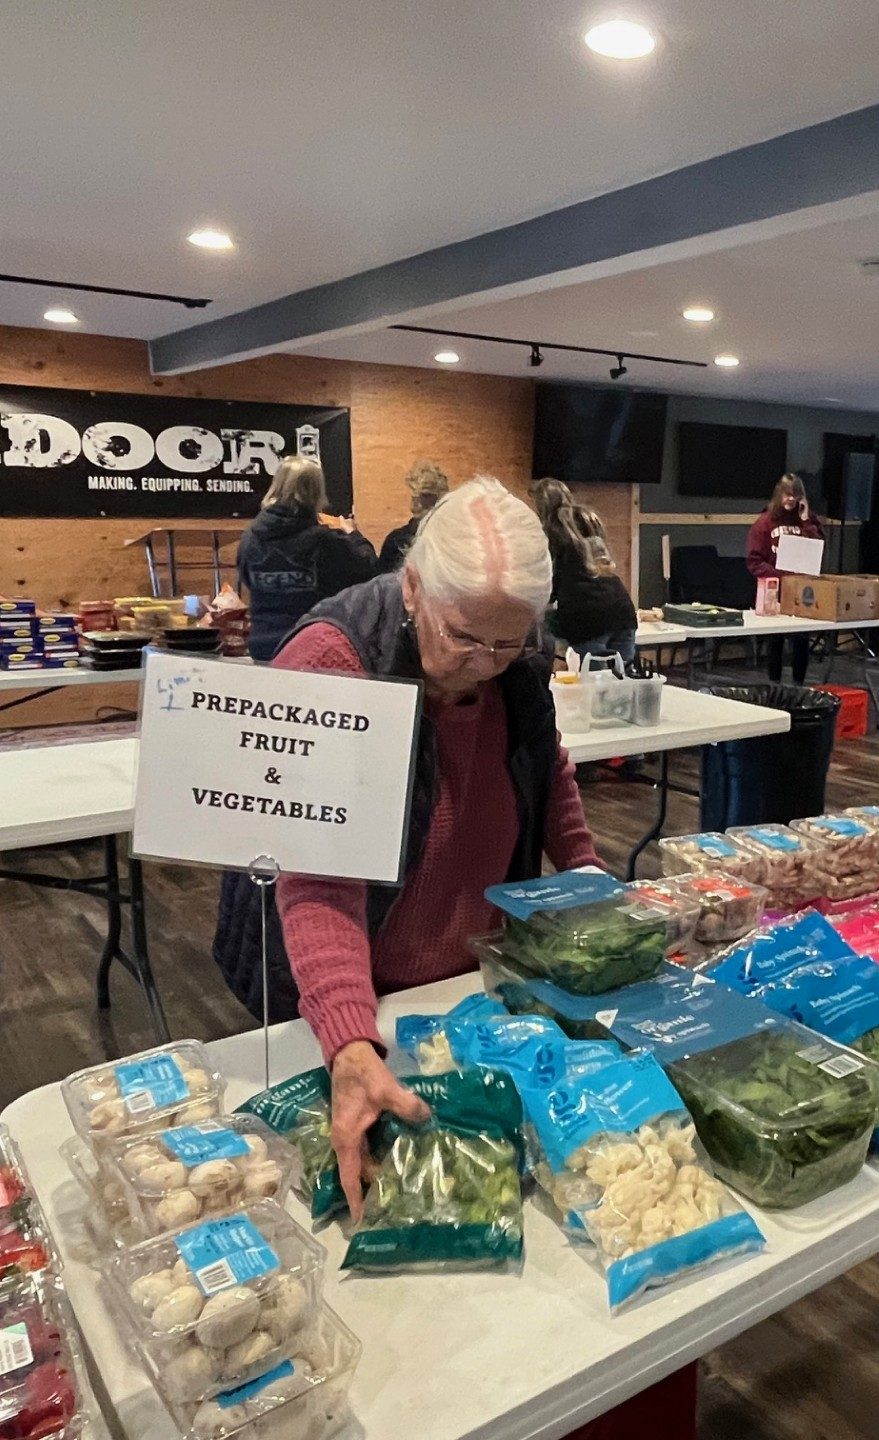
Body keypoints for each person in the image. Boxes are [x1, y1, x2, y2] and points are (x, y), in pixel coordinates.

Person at [213, 476, 696, 1440]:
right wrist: (350, 1044)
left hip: (465, 968)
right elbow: (316, 885)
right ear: (410, 590)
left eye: (510, 640)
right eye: (465, 637)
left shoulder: (517, 650)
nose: (486, 662)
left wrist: (593, 900)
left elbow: (547, 775)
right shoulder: (332, 661)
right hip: (349, 972)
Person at [236, 456, 378, 661]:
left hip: (262, 649)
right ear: (315, 491)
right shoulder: (323, 541)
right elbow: (368, 569)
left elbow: (247, 580)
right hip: (309, 650)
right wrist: (353, 535)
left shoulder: (250, 536)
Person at [530, 477, 639, 662]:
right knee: (622, 679)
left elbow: (549, 580)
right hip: (622, 609)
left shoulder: (550, 530)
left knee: (592, 682)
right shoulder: (589, 520)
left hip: (587, 619)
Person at [746, 473, 825, 683]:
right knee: (776, 641)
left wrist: (806, 520)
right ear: (779, 495)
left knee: (801, 641)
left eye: (796, 495)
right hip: (775, 592)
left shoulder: (807, 522)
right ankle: (775, 685)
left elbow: (817, 547)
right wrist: (781, 575)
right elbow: (754, 562)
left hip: (802, 592)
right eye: (787, 494)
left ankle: (798, 685)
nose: (791, 499)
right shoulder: (764, 523)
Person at [379, 460, 450, 571]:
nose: (419, 503)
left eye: (426, 496)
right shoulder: (396, 542)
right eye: (418, 496)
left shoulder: (453, 539)